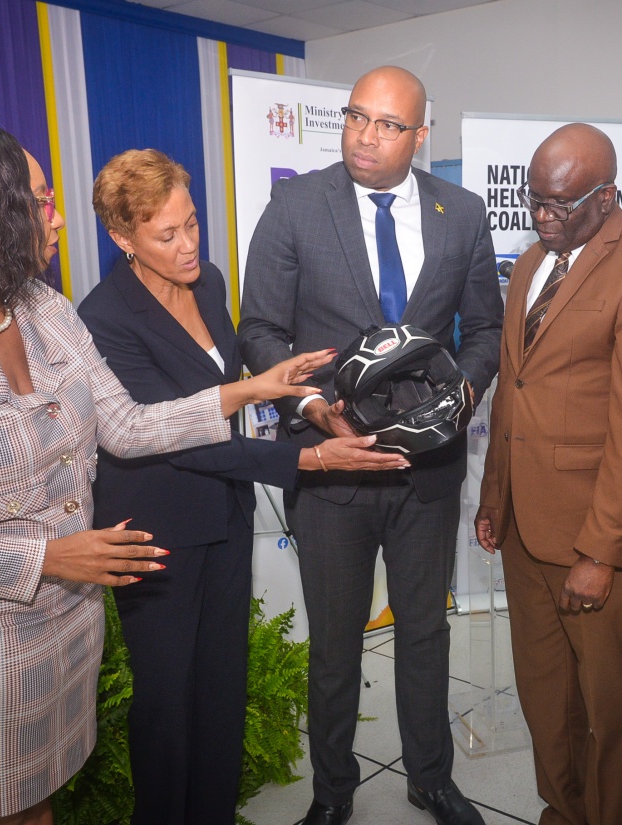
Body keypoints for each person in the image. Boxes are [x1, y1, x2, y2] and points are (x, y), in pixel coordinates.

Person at [0, 117, 327, 825]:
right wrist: (46, 555)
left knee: (39, 810)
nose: (59, 217)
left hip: (65, 628)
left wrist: (248, 389)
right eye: (40, 200)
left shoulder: (46, 310)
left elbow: (126, 423)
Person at [77, 149, 407, 825]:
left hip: (223, 519)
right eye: (167, 235)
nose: (190, 243)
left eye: (192, 222)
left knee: (221, 693)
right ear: (123, 238)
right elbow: (174, 435)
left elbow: (231, 401)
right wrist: (308, 461)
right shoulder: (105, 315)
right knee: (168, 708)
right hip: (156, 535)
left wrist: (301, 406)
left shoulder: (209, 284)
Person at [239, 66, 502, 825]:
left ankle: (430, 777)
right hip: (331, 470)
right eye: (357, 117)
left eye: (388, 124)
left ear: (422, 135)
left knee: (426, 631)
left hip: (427, 470)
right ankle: (332, 791)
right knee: (334, 647)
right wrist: (317, 407)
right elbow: (260, 327)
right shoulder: (295, 204)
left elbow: (484, 329)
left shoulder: (463, 212)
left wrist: (466, 394)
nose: (365, 135)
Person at [474, 123, 622, 825]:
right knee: (547, 700)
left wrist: (600, 551)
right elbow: (517, 386)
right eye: (535, 201)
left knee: (613, 709)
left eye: (560, 204)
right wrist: (493, 495)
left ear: (608, 196)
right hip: (524, 529)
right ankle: (562, 814)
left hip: (600, 544)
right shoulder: (535, 261)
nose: (543, 217)